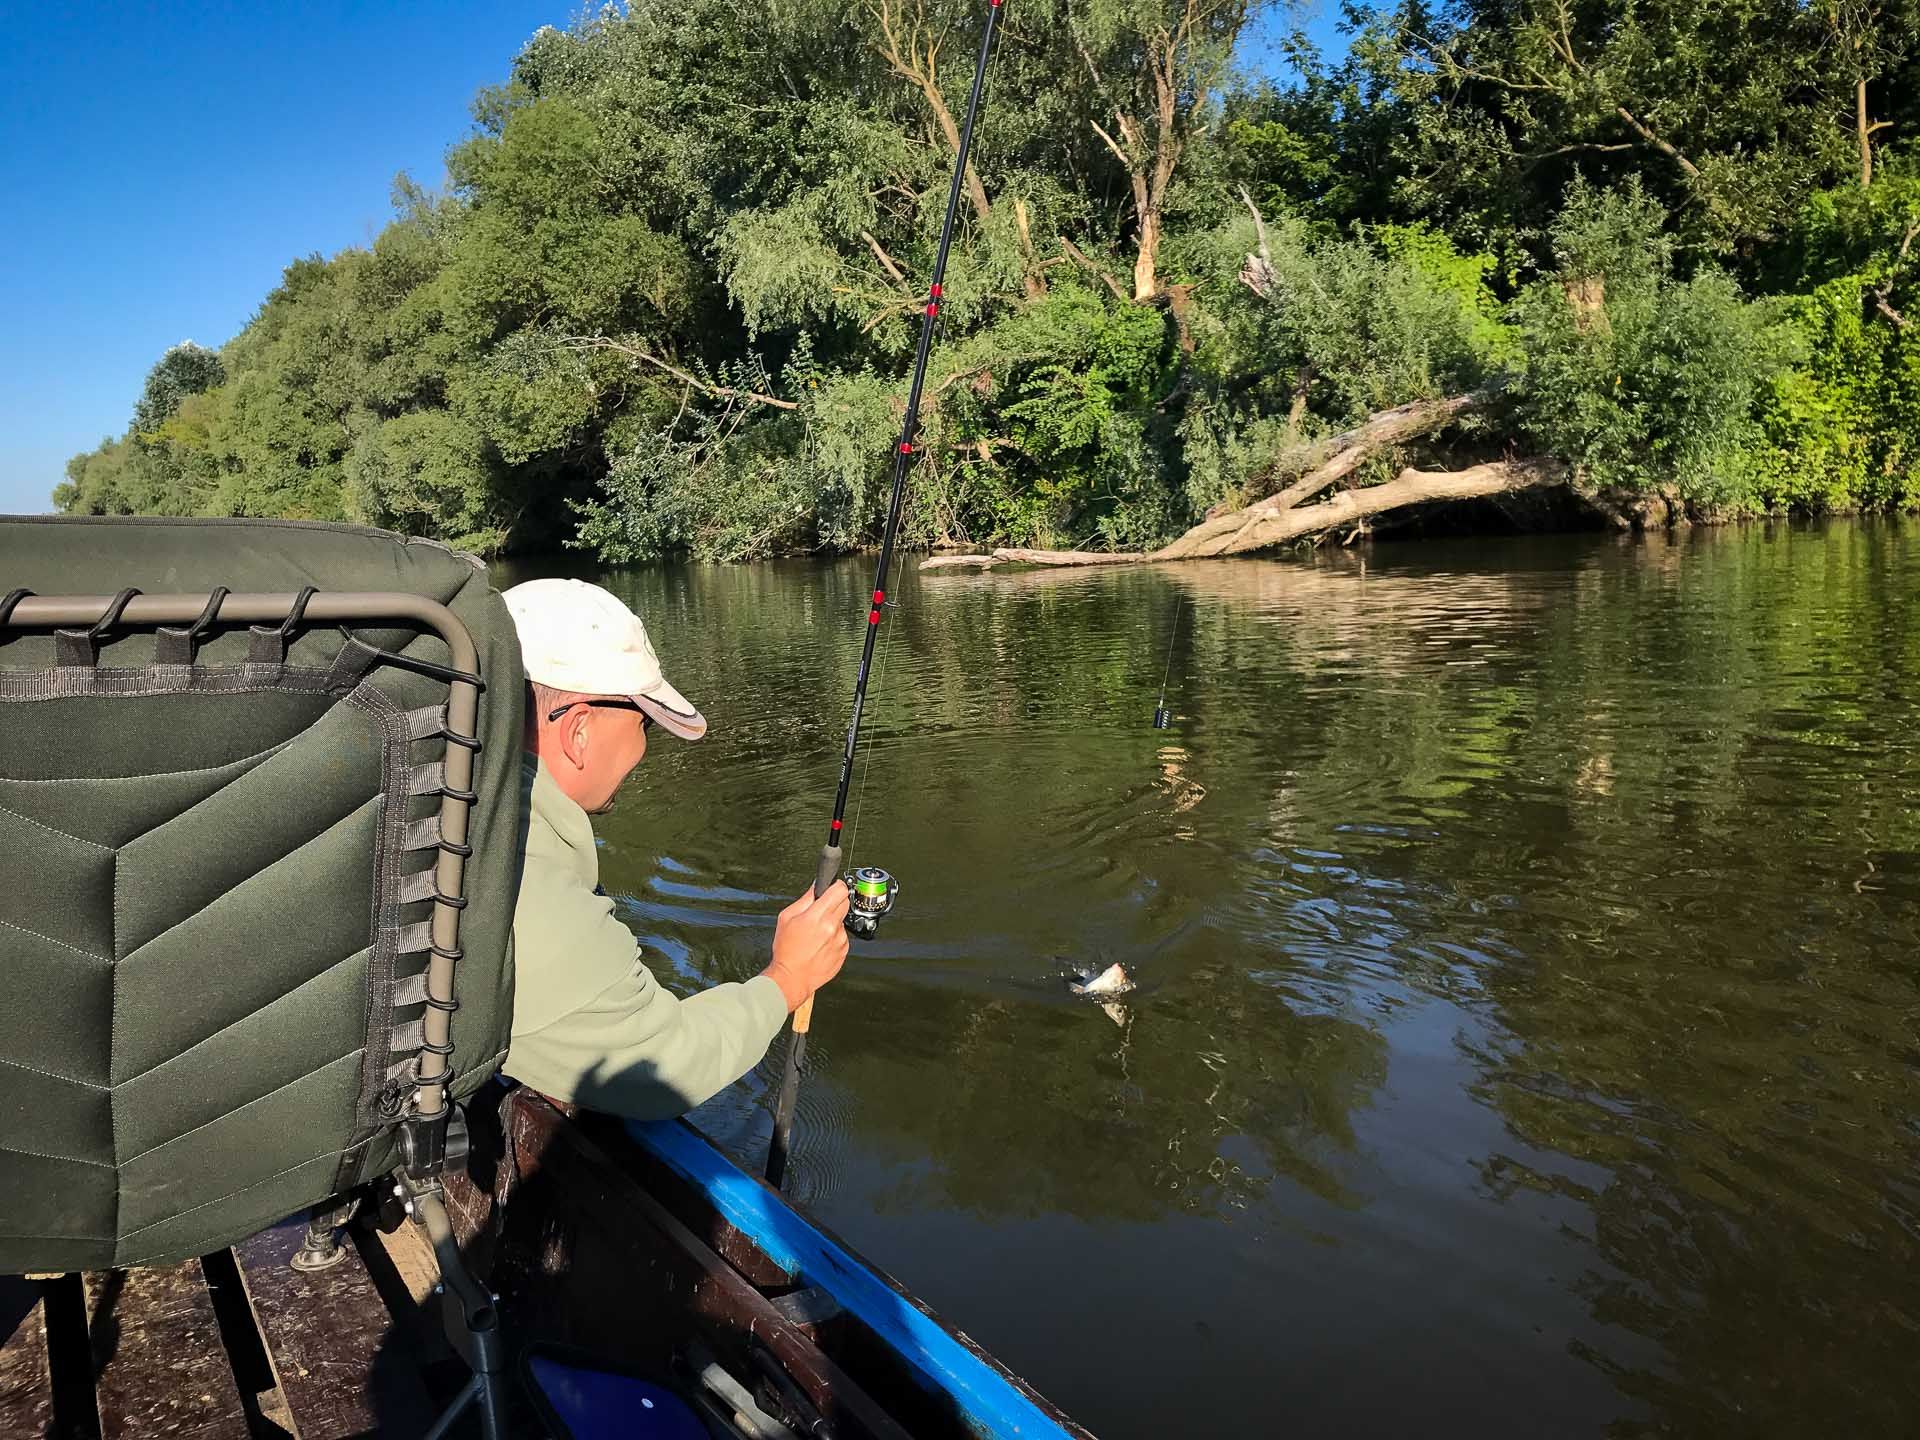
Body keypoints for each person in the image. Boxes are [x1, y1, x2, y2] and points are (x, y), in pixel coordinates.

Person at [499, 577, 850, 1119]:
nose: (642, 749)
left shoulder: (451, 808)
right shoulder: (526, 881)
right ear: (580, 732)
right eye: (644, 724)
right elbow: (662, 1063)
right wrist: (788, 976)